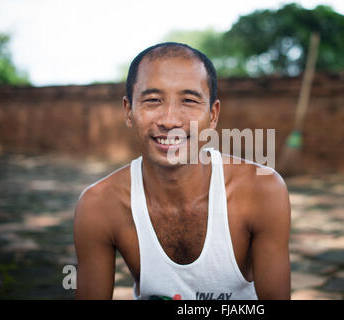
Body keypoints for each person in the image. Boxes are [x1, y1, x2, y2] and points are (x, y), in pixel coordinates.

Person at [73, 42, 291, 300]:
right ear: (128, 111)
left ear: (213, 115)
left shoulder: (261, 191)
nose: (170, 120)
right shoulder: (98, 205)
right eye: (153, 100)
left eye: (188, 101)